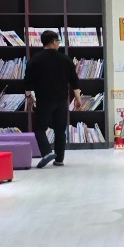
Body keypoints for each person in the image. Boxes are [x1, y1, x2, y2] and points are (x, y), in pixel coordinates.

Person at [24, 30, 84, 167]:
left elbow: (27, 81)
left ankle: (46, 152)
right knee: (59, 130)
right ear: (53, 42)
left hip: (44, 100)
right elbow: (74, 80)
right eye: (58, 41)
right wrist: (77, 97)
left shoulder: (35, 59)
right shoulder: (65, 59)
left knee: (39, 129)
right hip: (62, 100)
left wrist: (29, 96)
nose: (58, 44)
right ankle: (59, 159)